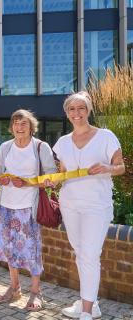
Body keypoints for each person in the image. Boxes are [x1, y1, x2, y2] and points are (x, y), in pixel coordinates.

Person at [54, 92, 125, 320]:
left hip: (97, 205)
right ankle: (90, 304)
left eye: (81, 108)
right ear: (67, 113)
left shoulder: (105, 136)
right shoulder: (63, 143)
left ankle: (86, 312)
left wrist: (107, 168)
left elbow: (121, 167)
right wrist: (50, 180)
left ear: (89, 110)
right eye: (72, 109)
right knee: (80, 253)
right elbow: (63, 174)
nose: (77, 113)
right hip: (70, 204)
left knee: (90, 255)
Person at [0, 109, 56, 311]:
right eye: (16, 124)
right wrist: (0, 178)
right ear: (11, 127)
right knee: (10, 249)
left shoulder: (40, 147)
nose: (19, 127)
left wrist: (28, 183)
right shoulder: (5, 146)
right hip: (7, 207)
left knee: (32, 251)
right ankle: (14, 288)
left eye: (24, 124)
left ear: (31, 127)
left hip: (29, 207)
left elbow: (52, 178)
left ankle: (36, 293)